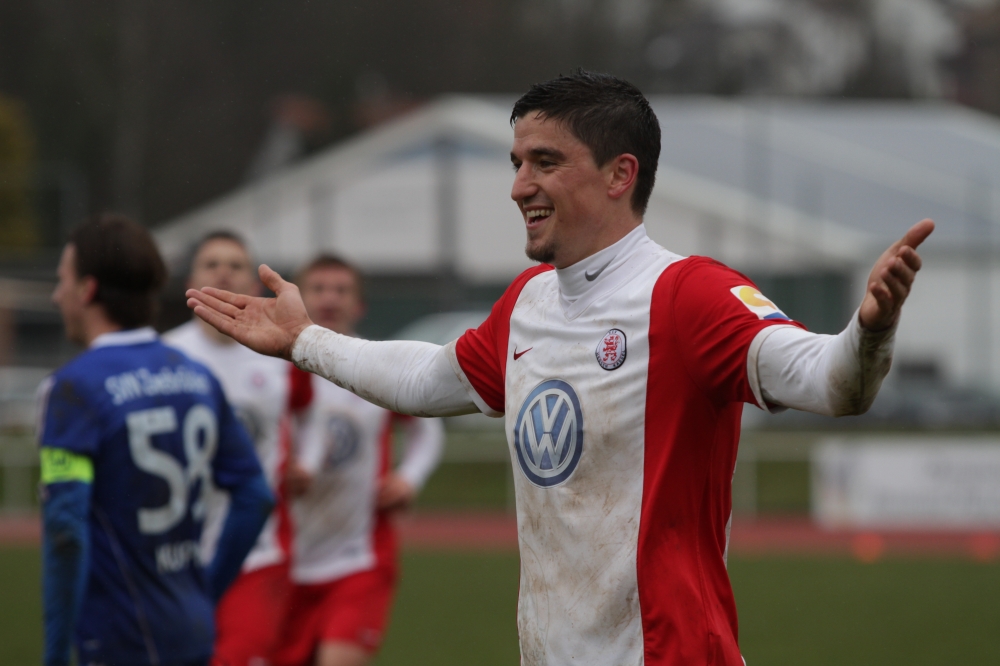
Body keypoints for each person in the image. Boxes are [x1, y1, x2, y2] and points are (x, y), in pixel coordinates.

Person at [186, 71, 934, 666]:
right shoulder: (528, 302)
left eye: (545, 162)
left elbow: (831, 383)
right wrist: (305, 340)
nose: (519, 185)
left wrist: (870, 331)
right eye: (517, 163)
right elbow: (425, 380)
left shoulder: (688, 294)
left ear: (619, 175)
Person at [38, 214, 273, 666]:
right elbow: (255, 496)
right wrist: (206, 592)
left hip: (120, 634)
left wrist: (54, 655)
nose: (56, 295)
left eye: (62, 280)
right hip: (190, 625)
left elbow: (66, 530)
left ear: (87, 289)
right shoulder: (197, 376)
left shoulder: (71, 389)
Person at [272, 254, 444, 666]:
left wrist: (409, 477)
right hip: (283, 563)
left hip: (359, 557)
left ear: (360, 304)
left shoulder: (372, 366)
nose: (330, 298)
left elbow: (428, 428)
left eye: (341, 290)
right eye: (318, 288)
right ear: (297, 299)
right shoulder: (271, 372)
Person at [163, 231, 308, 666]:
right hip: (177, 551)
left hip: (257, 550)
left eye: (235, 264)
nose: (223, 271)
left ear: (252, 280)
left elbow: (309, 413)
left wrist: (305, 459)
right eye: (211, 264)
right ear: (190, 280)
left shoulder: (283, 353)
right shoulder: (165, 356)